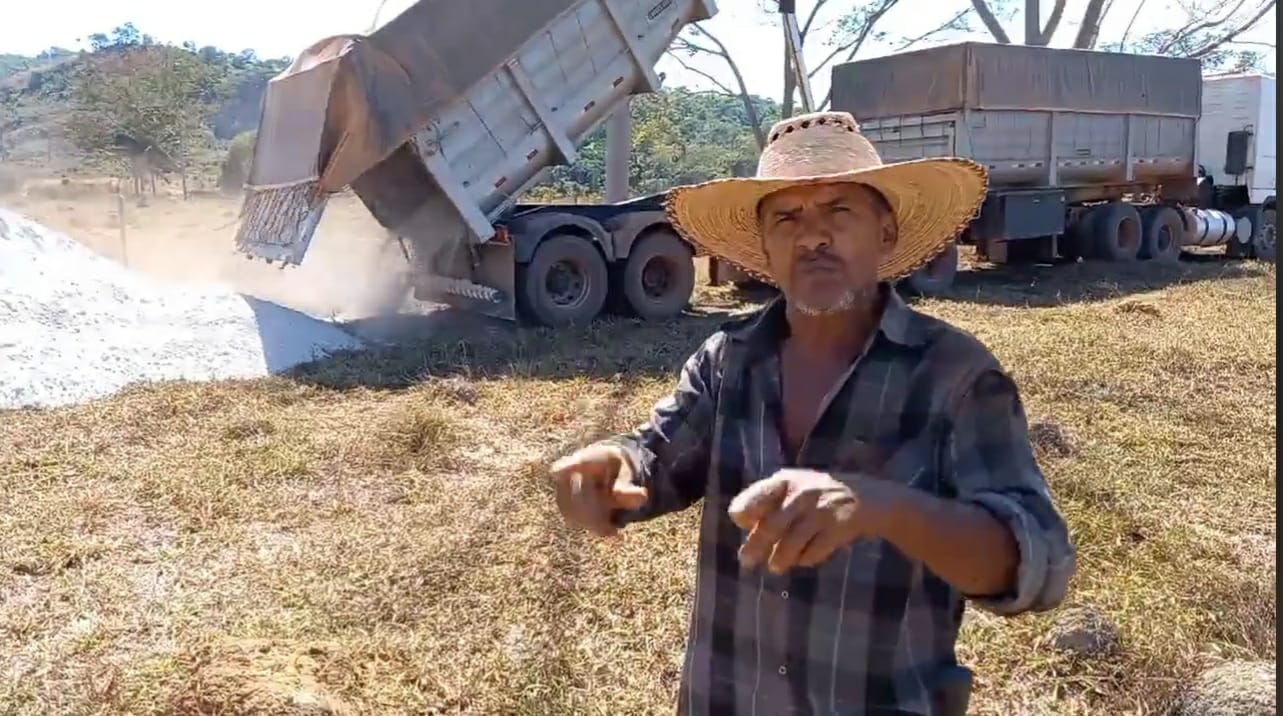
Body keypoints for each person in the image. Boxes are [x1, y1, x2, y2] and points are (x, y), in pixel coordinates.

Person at [551, 111, 1075, 716]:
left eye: (838, 210)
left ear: (885, 233)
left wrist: (883, 508)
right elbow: (658, 457)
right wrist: (612, 465)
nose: (812, 237)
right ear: (765, 248)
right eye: (787, 218)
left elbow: (1038, 563)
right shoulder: (728, 360)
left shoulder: (954, 377)